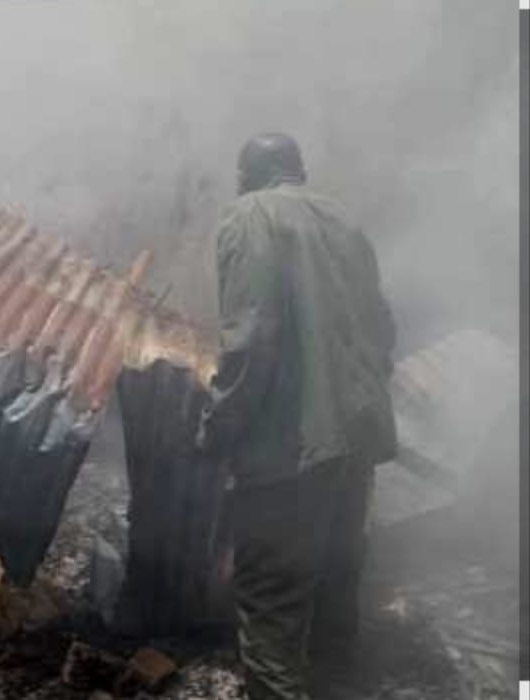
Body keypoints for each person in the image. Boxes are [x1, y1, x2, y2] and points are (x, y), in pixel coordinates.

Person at [196, 133, 397, 700]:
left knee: (271, 606)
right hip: (356, 445)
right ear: (298, 171)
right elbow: (383, 332)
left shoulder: (248, 217)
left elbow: (250, 341)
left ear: (245, 178)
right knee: (334, 598)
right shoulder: (346, 222)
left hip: (290, 453)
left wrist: (218, 427)